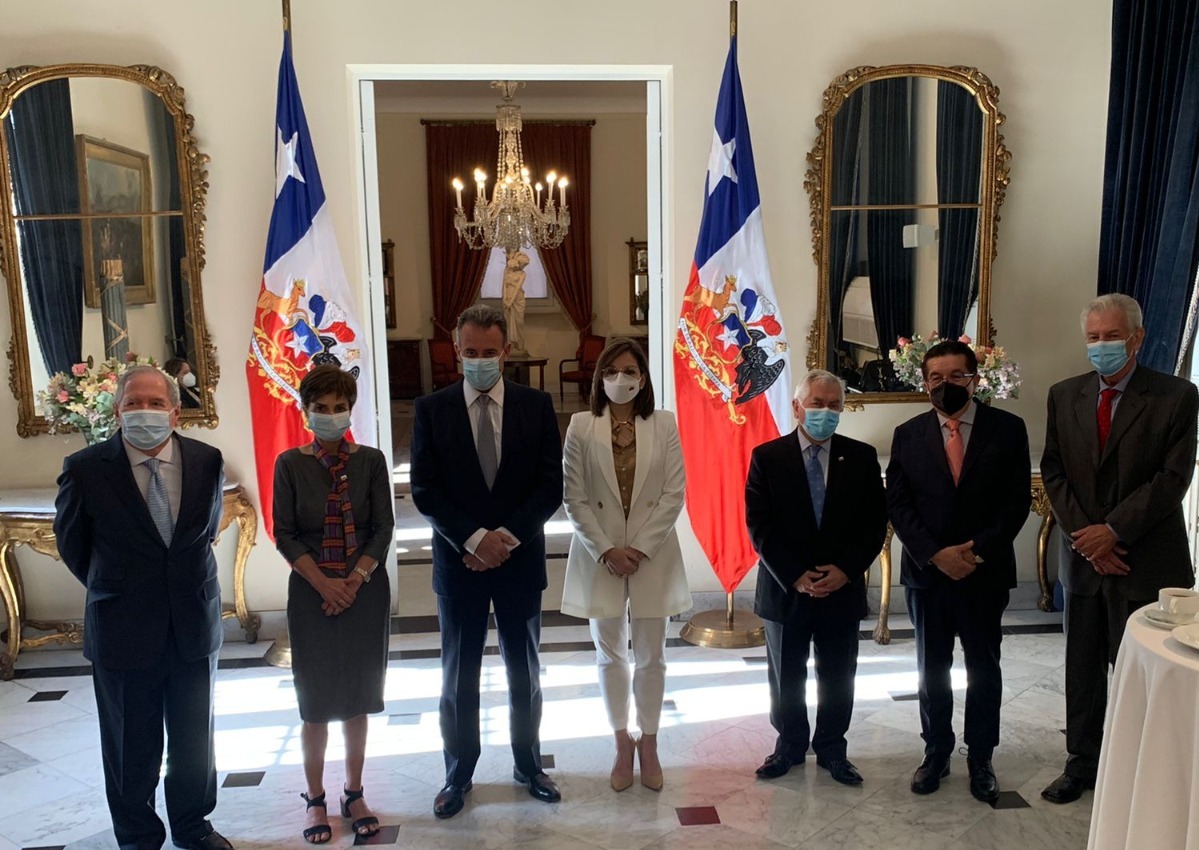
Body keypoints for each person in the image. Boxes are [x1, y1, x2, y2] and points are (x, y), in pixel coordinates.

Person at [54, 365, 233, 850]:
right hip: (123, 629)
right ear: (117, 411)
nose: (145, 412)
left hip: (193, 624)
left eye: (156, 403)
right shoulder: (86, 469)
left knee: (195, 741)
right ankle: (137, 836)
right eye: (134, 402)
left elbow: (203, 536)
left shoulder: (207, 461)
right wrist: (123, 588)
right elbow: (75, 549)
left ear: (176, 412)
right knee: (132, 746)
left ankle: (194, 828)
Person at [1040, 294, 1198, 805]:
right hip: (1085, 561)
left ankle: (1146, 770)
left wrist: (1114, 531)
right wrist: (1088, 538)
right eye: (1093, 337)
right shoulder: (1064, 395)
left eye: (1112, 335)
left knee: (1142, 672)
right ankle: (1081, 764)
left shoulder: (1177, 396)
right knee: (1083, 671)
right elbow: (1056, 472)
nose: (1102, 345)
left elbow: (1172, 478)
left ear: (1137, 337)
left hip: (1145, 559)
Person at [410, 304, 564, 819]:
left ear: (507, 351)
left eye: (489, 352)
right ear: (457, 351)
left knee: (526, 671)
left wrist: (506, 538)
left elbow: (549, 487)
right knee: (459, 676)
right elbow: (425, 490)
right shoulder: (431, 410)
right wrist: (474, 539)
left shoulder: (536, 405)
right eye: (470, 352)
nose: (479, 360)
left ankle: (528, 763)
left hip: (519, 562)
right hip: (460, 564)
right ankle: (458, 773)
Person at [886, 340, 1030, 803]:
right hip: (928, 575)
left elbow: (1016, 502)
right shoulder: (907, 434)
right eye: (936, 378)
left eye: (956, 377)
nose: (945, 386)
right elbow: (900, 504)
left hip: (983, 573)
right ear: (924, 382)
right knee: (932, 667)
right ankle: (936, 751)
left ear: (975, 379)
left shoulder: (1008, 429)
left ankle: (981, 756)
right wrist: (935, 554)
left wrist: (974, 552)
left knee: (983, 666)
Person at [745, 369, 888, 787]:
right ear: (797, 407)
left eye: (833, 405)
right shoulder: (767, 457)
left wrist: (845, 570)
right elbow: (759, 526)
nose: (825, 412)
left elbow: (873, 525)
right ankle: (788, 746)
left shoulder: (861, 458)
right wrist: (795, 574)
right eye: (817, 404)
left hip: (840, 589)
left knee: (838, 673)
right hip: (786, 588)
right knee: (786, 673)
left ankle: (831, 748)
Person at [272, 365, 395, 843]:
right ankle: (316, 797)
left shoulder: (371, 460)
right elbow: (285, 532)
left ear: (351, 409)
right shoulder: (290, 463)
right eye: (320, 408)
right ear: (306, 412)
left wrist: (354, 580)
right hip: (311, 592)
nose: (330, 416)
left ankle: (354, 791)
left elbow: (382, 527)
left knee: (359, 697)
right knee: (317, 701)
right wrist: (325, 584)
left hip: (363, 591)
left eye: (338, 407)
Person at [561, 338, 689, 792]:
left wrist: (640, 547)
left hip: (650, 554)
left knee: (653, 655)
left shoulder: (665, 424)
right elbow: (574, 497)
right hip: (601, 555)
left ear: (644, 376)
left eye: (631, 370)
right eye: (613, 371)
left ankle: (649, 741)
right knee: (610, 653)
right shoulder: (580, 426)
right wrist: (606, 549)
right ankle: (621, 741)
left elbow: (674, 492)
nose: (622, 379)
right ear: (600, 377)